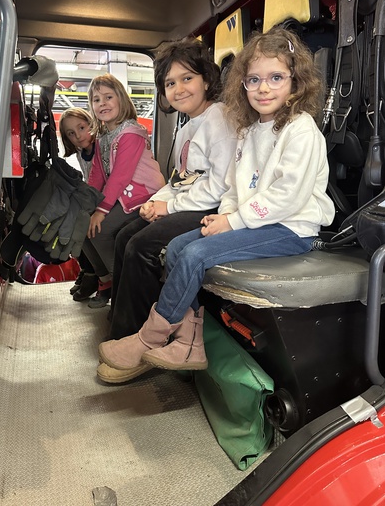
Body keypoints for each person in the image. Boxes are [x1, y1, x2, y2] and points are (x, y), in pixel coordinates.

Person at [97, 26, 336, 379]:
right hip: (254, 222)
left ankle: (149, 338)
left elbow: (288, 196)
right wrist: (224, 216)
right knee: (177, 247)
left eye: (275, 78)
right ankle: (188, 343)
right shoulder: (249, 130)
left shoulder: (300, 129)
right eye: (253, 80)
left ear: (295, 81)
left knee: (194, 254)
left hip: (290, 228)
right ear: (242, 84)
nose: (264, 88)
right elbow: (236, 187)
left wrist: (233, 222)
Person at [97, 37, 238, 383]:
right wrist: (155, 201)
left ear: (207, 79)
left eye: (187, 78)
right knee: (124, 236)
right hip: (188, 202)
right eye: (170, 83)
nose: (179, 89)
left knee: (141, 246)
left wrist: (169, 206)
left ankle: (140, 343)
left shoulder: (219, 119)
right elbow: (178, 180)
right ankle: (122, 326)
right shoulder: (187, 127)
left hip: (213, 207)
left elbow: (220, 186)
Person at [83, 73, 165, 307]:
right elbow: (97, 175)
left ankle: (123, 285)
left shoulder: (131, 133)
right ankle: (106, 280)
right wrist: (84, 205)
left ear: (121, 99)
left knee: (100, 230)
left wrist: (100, 211)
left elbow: (120, 177)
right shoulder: (103, 138)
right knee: (82, 227)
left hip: (144, 195)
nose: (102, 103)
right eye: (96, 100)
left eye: (108, 97)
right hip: (122, 196)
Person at [59, 107, 100, 302]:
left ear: (91, 124)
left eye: (82, 128)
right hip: (95, 196)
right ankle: (86, 267)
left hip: (108, 198)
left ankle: (94, 273)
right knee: (66, 219)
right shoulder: (81, 154)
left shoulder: (101, 147)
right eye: (71, 133)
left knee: (79, 224)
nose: (78, 136)